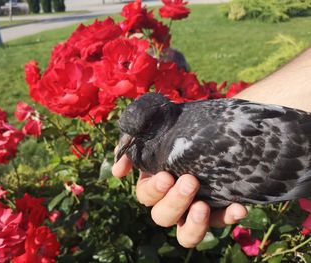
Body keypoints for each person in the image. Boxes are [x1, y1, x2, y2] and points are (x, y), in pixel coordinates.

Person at [112, 46, 311, 248]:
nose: (126, 142)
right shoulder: (178, 119)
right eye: (125, 133)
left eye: (144, 128)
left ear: (159, 119)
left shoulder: (187, 152)